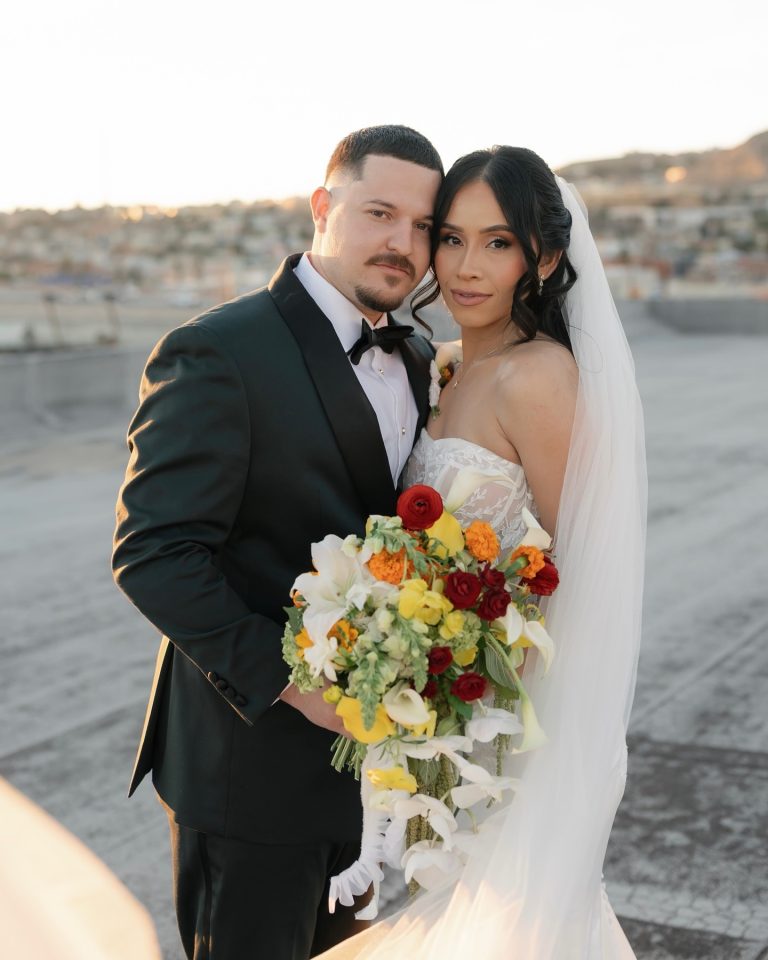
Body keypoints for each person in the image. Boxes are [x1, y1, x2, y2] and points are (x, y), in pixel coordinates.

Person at [111, 125, 443, 960]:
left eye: (422, 226)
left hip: (366, 782)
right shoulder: (219, 349)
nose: (401, 243)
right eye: (379, 212)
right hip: (246, 769)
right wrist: (295, 689)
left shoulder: (423, 359)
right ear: (323, 207)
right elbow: (154, 552)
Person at [315, 147, 647, 959]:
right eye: (451, 238)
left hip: (507, 725)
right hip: (450, 718)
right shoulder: (455, 366)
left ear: (546, 257)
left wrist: (490, 705)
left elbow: (582, 569)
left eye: (497, 243)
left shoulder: (539, 377)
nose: (465, 267)